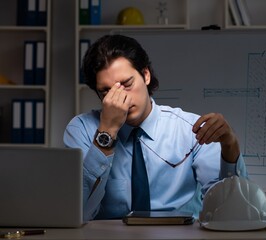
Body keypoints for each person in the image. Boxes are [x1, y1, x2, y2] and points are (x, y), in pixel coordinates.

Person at [64, 34, 248, 221]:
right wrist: (106, 132)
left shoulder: (190, 130)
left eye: (127, 84)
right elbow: (75, 213)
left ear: (146, 75)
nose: (121, 99)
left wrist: (230, 147)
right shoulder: (82, 130)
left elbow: (227, 210)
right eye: (106, 91)